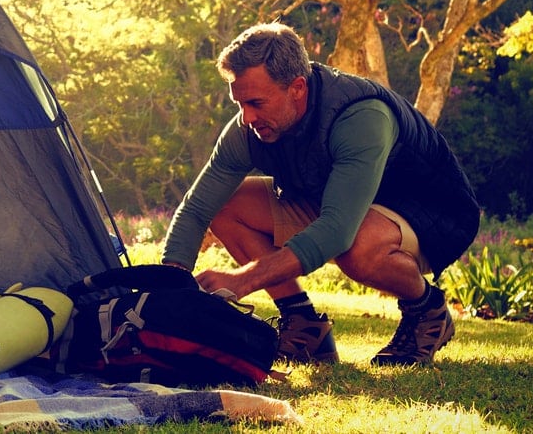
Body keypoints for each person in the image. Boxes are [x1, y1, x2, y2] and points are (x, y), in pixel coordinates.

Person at [160, 23, 480, 366]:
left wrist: (243, 280)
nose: (246, 117)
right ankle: (304, 326)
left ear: (297, 88)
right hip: (337, 199)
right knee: (226, 206)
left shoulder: (361, 117)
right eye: (239, 103)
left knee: (355, 245)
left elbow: (337, 231)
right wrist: (167, 288)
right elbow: (197, 208)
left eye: (256, 103)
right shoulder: (248, 127)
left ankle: (426, 310)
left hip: (430, 213)